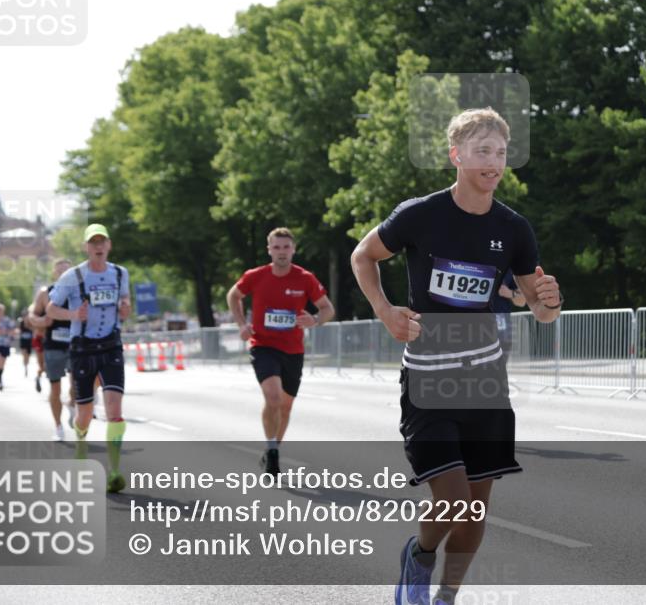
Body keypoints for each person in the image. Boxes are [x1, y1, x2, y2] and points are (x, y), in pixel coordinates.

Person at [350, 108, 562, 605]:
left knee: (474, 516)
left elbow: (541, 308)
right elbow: (363, 255)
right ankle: (420, 556)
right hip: (428, 380)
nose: (494, 161)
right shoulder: (420, 215)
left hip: (485, 383)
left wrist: (549, 302)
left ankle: (446, 596)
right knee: (451, 502)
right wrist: (385, 311)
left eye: (501, 153)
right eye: (483, 151)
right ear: (457, 155)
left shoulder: (513, 228)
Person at [226, 227, 334, 476]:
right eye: (276, 247)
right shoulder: (256, 275)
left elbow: (327, 308)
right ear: (269, 250)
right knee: (273, 398)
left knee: (285, 407)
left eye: (286, 247)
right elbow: (234, 295)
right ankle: (272, 452)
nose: (282, 252)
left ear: (293, 249)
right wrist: (241, 323)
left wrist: (316, 320)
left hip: (293, 350)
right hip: (263, 345)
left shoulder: (305, 278)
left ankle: (273, 448)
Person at [47, 224, 131, 493]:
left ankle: (115, 471)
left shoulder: (120, 273)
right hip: (82, 348)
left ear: (109, 245)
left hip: (111, 347)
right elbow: (51, 309)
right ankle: (81, 450)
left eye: (102, 241)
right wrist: (74, 315)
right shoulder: (72, 276)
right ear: (86, 247)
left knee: (115, 410)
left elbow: (124, 308)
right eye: (93, 242)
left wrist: (126, 309)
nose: (98, 246)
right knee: (84, 413)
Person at [30, 258, 76, 440]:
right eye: (60, 272)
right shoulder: (45, 293)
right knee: (55, 388)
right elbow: (32, 314)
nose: (64, 275)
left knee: (78, 385)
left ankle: (72, 404)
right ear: (55, 274)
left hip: (76, 344)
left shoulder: (79, 292)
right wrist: (42, 321)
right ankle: (58, 427)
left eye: (67, 271)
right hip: (54, 346)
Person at [490, 270, 526, 366]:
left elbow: (522, 301)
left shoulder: (509, 269)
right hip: (476, 325)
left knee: (498, 369)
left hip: (502, 330)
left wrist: (509, 293)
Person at [0, 303, 15, 390]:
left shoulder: (7, 320)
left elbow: (12, 330)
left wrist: (7, 333)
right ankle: (0, 381)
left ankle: (0, 377)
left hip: (5, 344)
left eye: (0, 310)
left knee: (2, 365)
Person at [17, 313, 34, 383]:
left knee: (28, 355)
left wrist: (29, 326)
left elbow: (33, 330)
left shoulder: (31, 322)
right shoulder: (21, 322)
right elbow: (19, 331)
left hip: (29, 341)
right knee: (24, 354)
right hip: (23, 340)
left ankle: (26, 364)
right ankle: (25, 366)